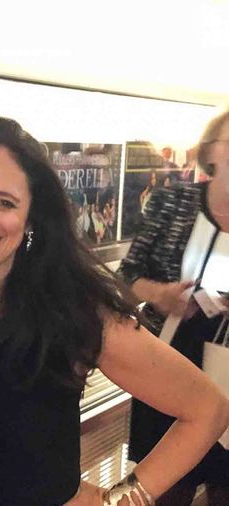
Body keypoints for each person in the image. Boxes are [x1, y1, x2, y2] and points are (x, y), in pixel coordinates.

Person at [0, 116, 229, 505]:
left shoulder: (72, 308)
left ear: (32, 215)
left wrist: (119, 500)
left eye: (5, 202)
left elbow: (208, 409)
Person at [119, 110, 229, 505]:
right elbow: (125, 277)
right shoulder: (173, 202)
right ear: (211, 152)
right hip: (168, 369)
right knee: (164, 488)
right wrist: (159, 294)